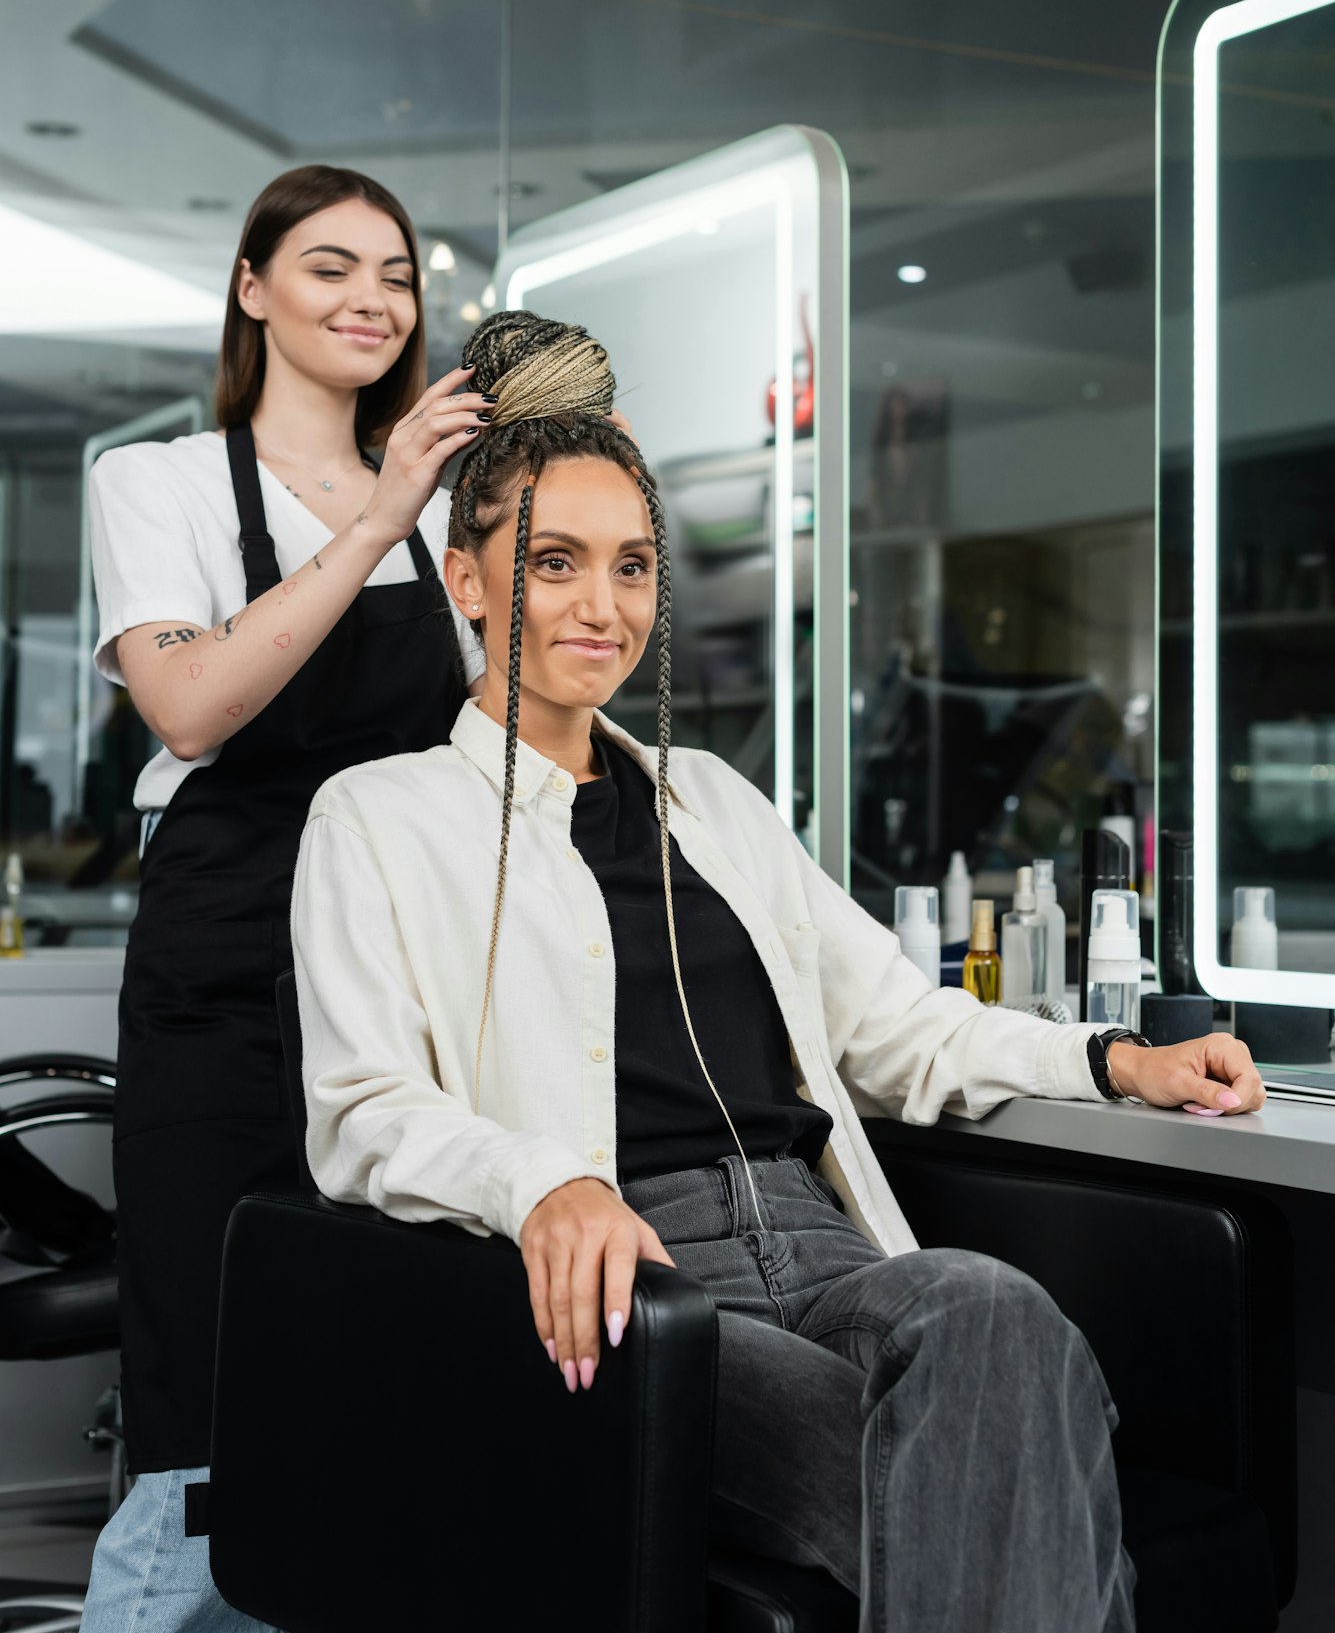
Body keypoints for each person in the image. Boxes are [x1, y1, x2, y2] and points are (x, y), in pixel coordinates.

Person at [291, 311, 1266, 1633]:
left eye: (633, 567)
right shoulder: (380, 817)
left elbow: (898, 1024)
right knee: (987, 1464)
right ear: (468, 580)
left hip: (822, 1240)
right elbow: (361, 1113)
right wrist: (544, 1184)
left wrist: (1108, 1059)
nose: (603, 605)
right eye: (555, 562)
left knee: (997, 1314)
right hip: (637, 1275)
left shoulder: (715, 800)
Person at [81, 165, 495, 1631]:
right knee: (207, 1396)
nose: (372, 299)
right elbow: (190, 705)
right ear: (252, 288)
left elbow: (502, 733)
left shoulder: (451, 510)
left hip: (406, 977)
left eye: (395, 275)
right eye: (330, 267)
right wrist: (381, 517)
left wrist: (567, 514)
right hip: (230, 974)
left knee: (386, 1372)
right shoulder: (164, 483)